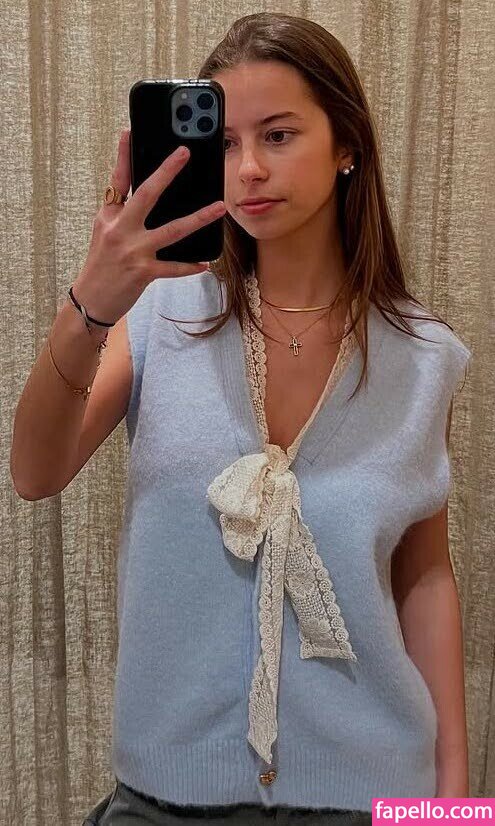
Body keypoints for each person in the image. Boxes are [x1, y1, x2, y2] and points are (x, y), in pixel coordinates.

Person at [11, 12, 471, 826]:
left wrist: (451, 804)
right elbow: (34, 474)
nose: (248, 168)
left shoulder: (423, 355)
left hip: (371, 795)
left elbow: (423, 576)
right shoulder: (156, 317)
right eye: (223, 144)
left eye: (278, 135)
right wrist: (90, 305)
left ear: (346, 144)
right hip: (164, 795)